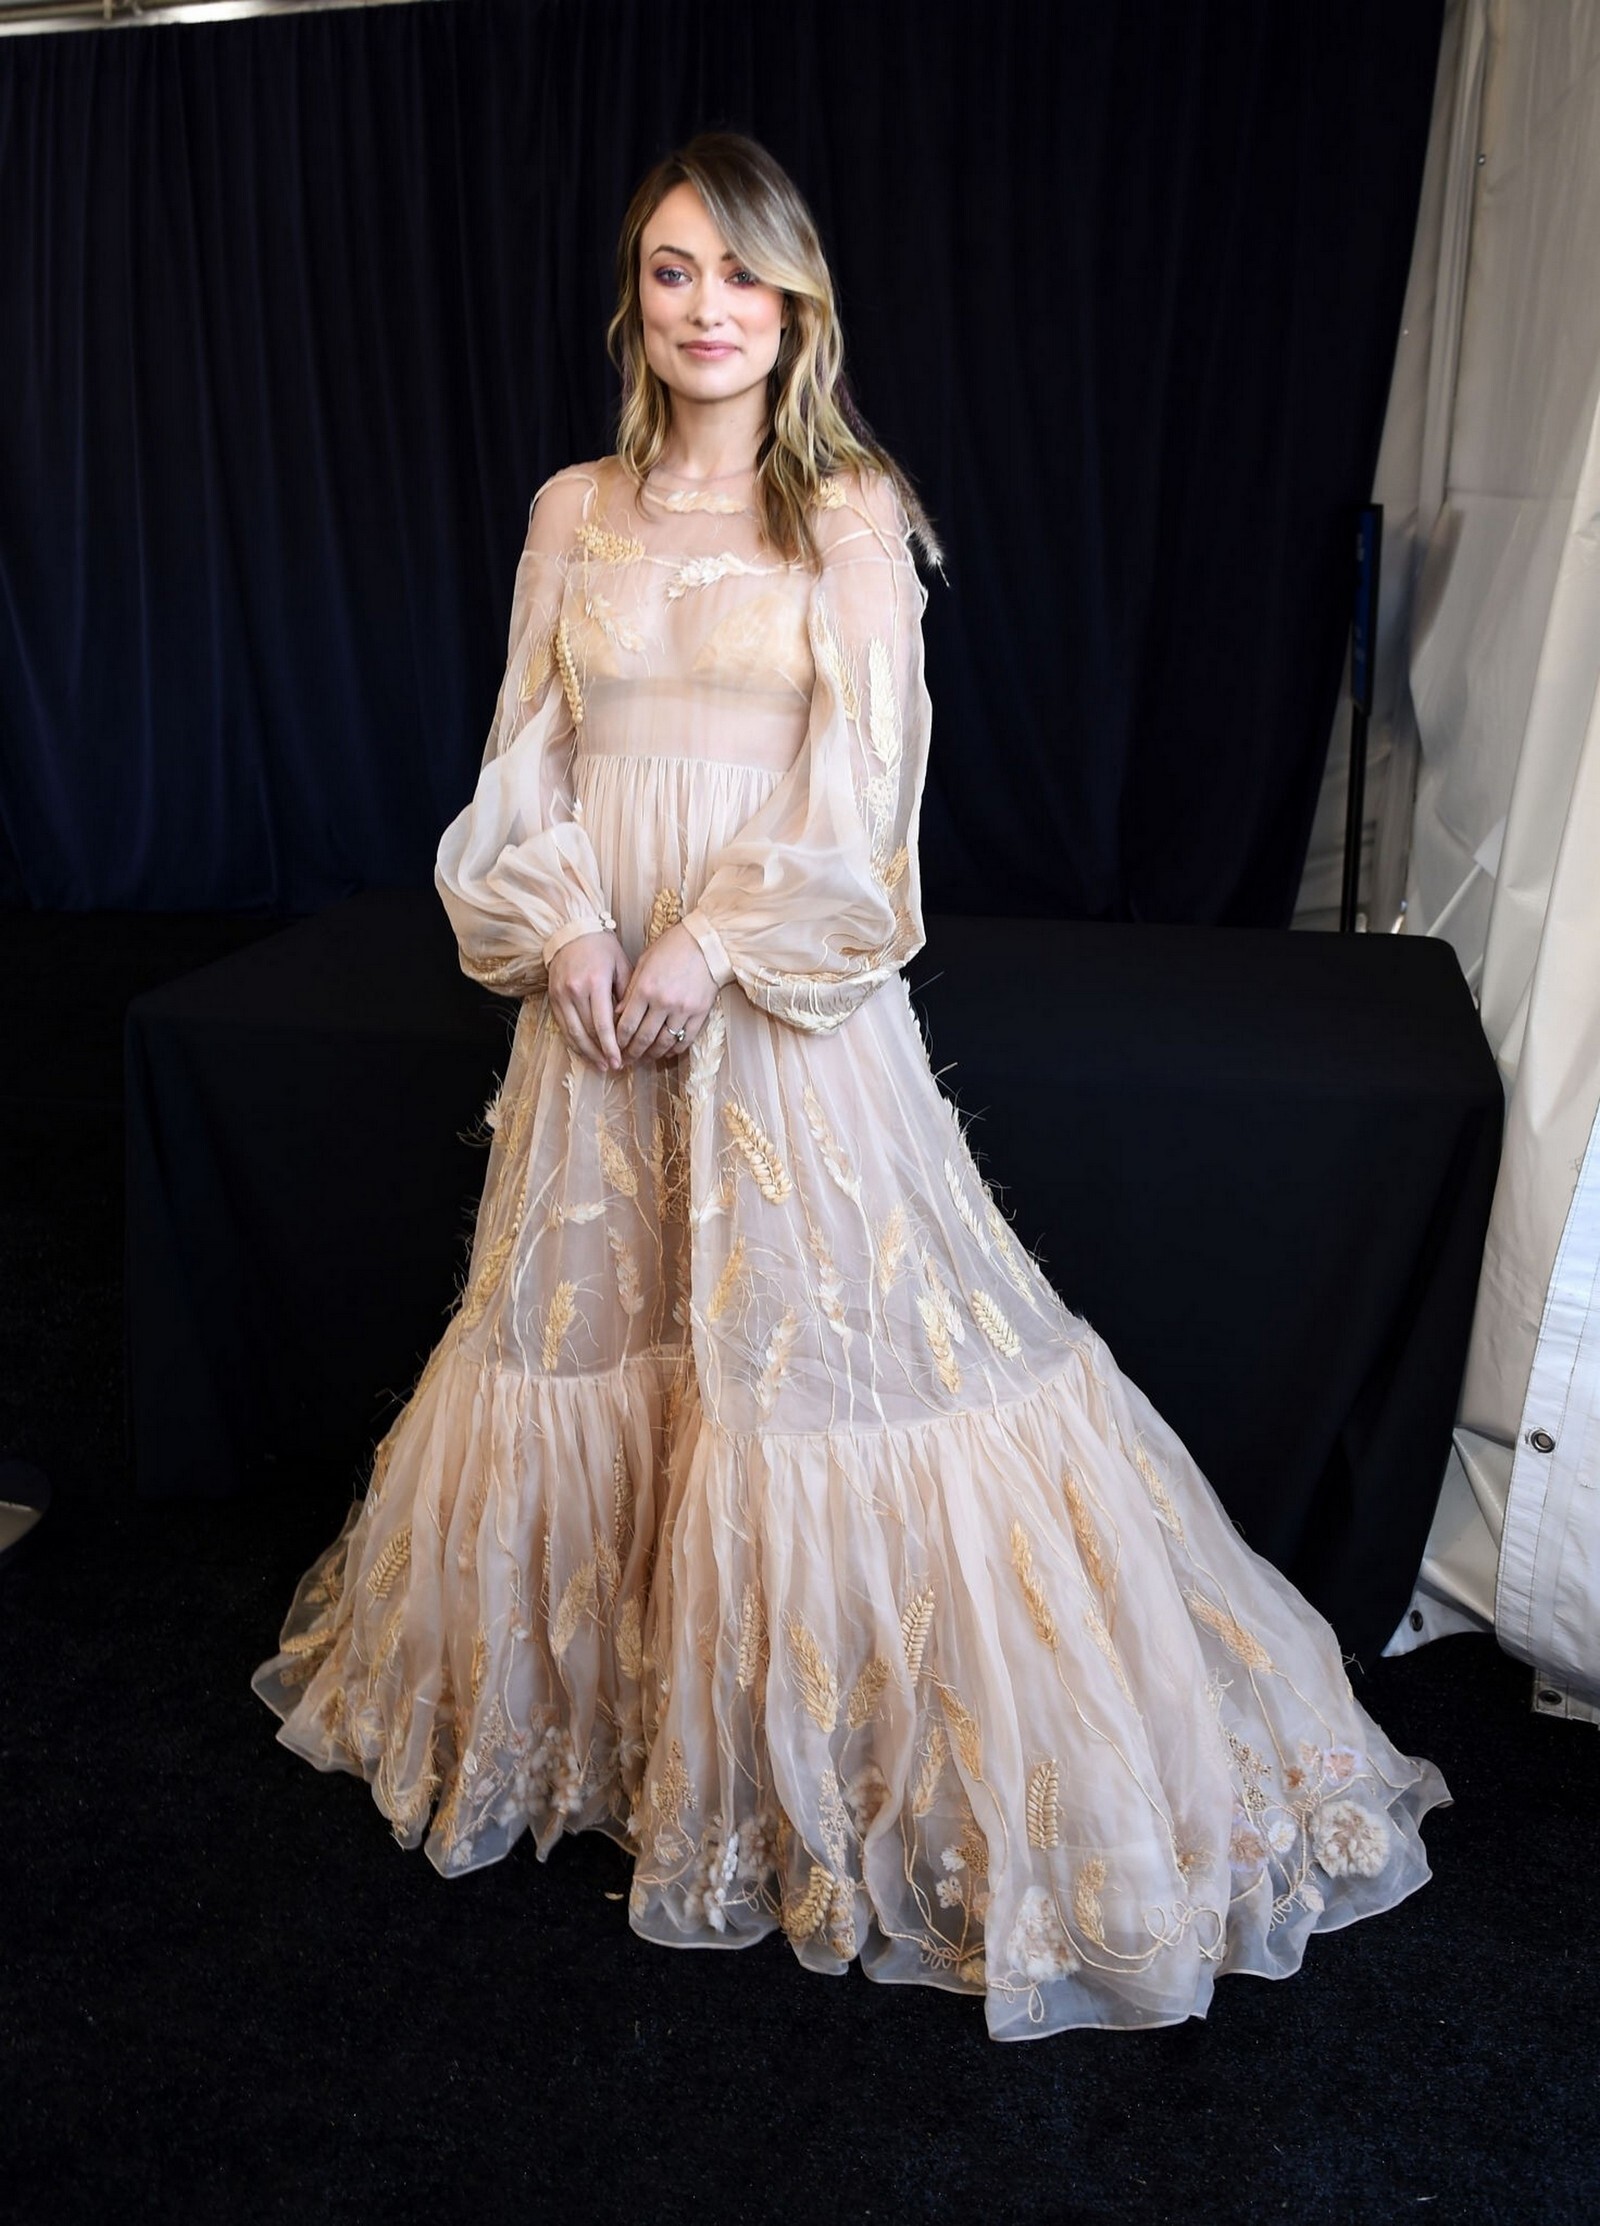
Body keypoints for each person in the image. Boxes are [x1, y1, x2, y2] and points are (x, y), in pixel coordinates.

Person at [253, 130, 1448, 2041]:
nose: (705, 306)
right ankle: (628, 1742)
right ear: (636, 303)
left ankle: (830, 1777)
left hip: (774, 1019)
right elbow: (522, 757)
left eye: (741, 271)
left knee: (820, 1381)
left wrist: (709, 944)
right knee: (594, 1349)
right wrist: (566, 931)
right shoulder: (573, 509)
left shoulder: (852, 515)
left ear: (796, 301)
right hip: (593, 1026)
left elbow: (865, 799)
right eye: (671, 270)